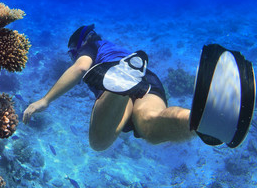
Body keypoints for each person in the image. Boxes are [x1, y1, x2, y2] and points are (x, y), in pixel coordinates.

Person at [23, 24, 255, 151]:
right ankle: (200, 122)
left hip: (114, 74)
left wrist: (45, 100)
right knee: (150, 125)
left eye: (72, 52)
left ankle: (119, 89)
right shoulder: (114, 47)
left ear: (79, 44)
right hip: (146, 78)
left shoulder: (90, 48)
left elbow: (81, 68)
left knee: (99, 143)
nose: (74, 56)